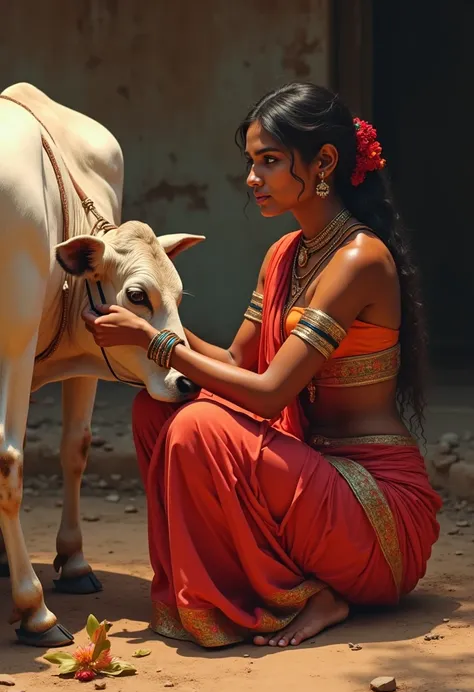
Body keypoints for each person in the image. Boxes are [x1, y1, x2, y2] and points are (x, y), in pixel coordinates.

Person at [82, 82, 442, 649]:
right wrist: (154, 326)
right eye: (251, 162)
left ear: (323, 162)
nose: (253, 179)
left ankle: (302, 592)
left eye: (269, 161)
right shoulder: (284, 254)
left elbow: (270, 393)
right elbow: (231, 362)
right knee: (158, 410)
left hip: (374, 519)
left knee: (200, 425)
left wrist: (156, 346)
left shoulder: (358, 259)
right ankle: (272, 585)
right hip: (306, 480)